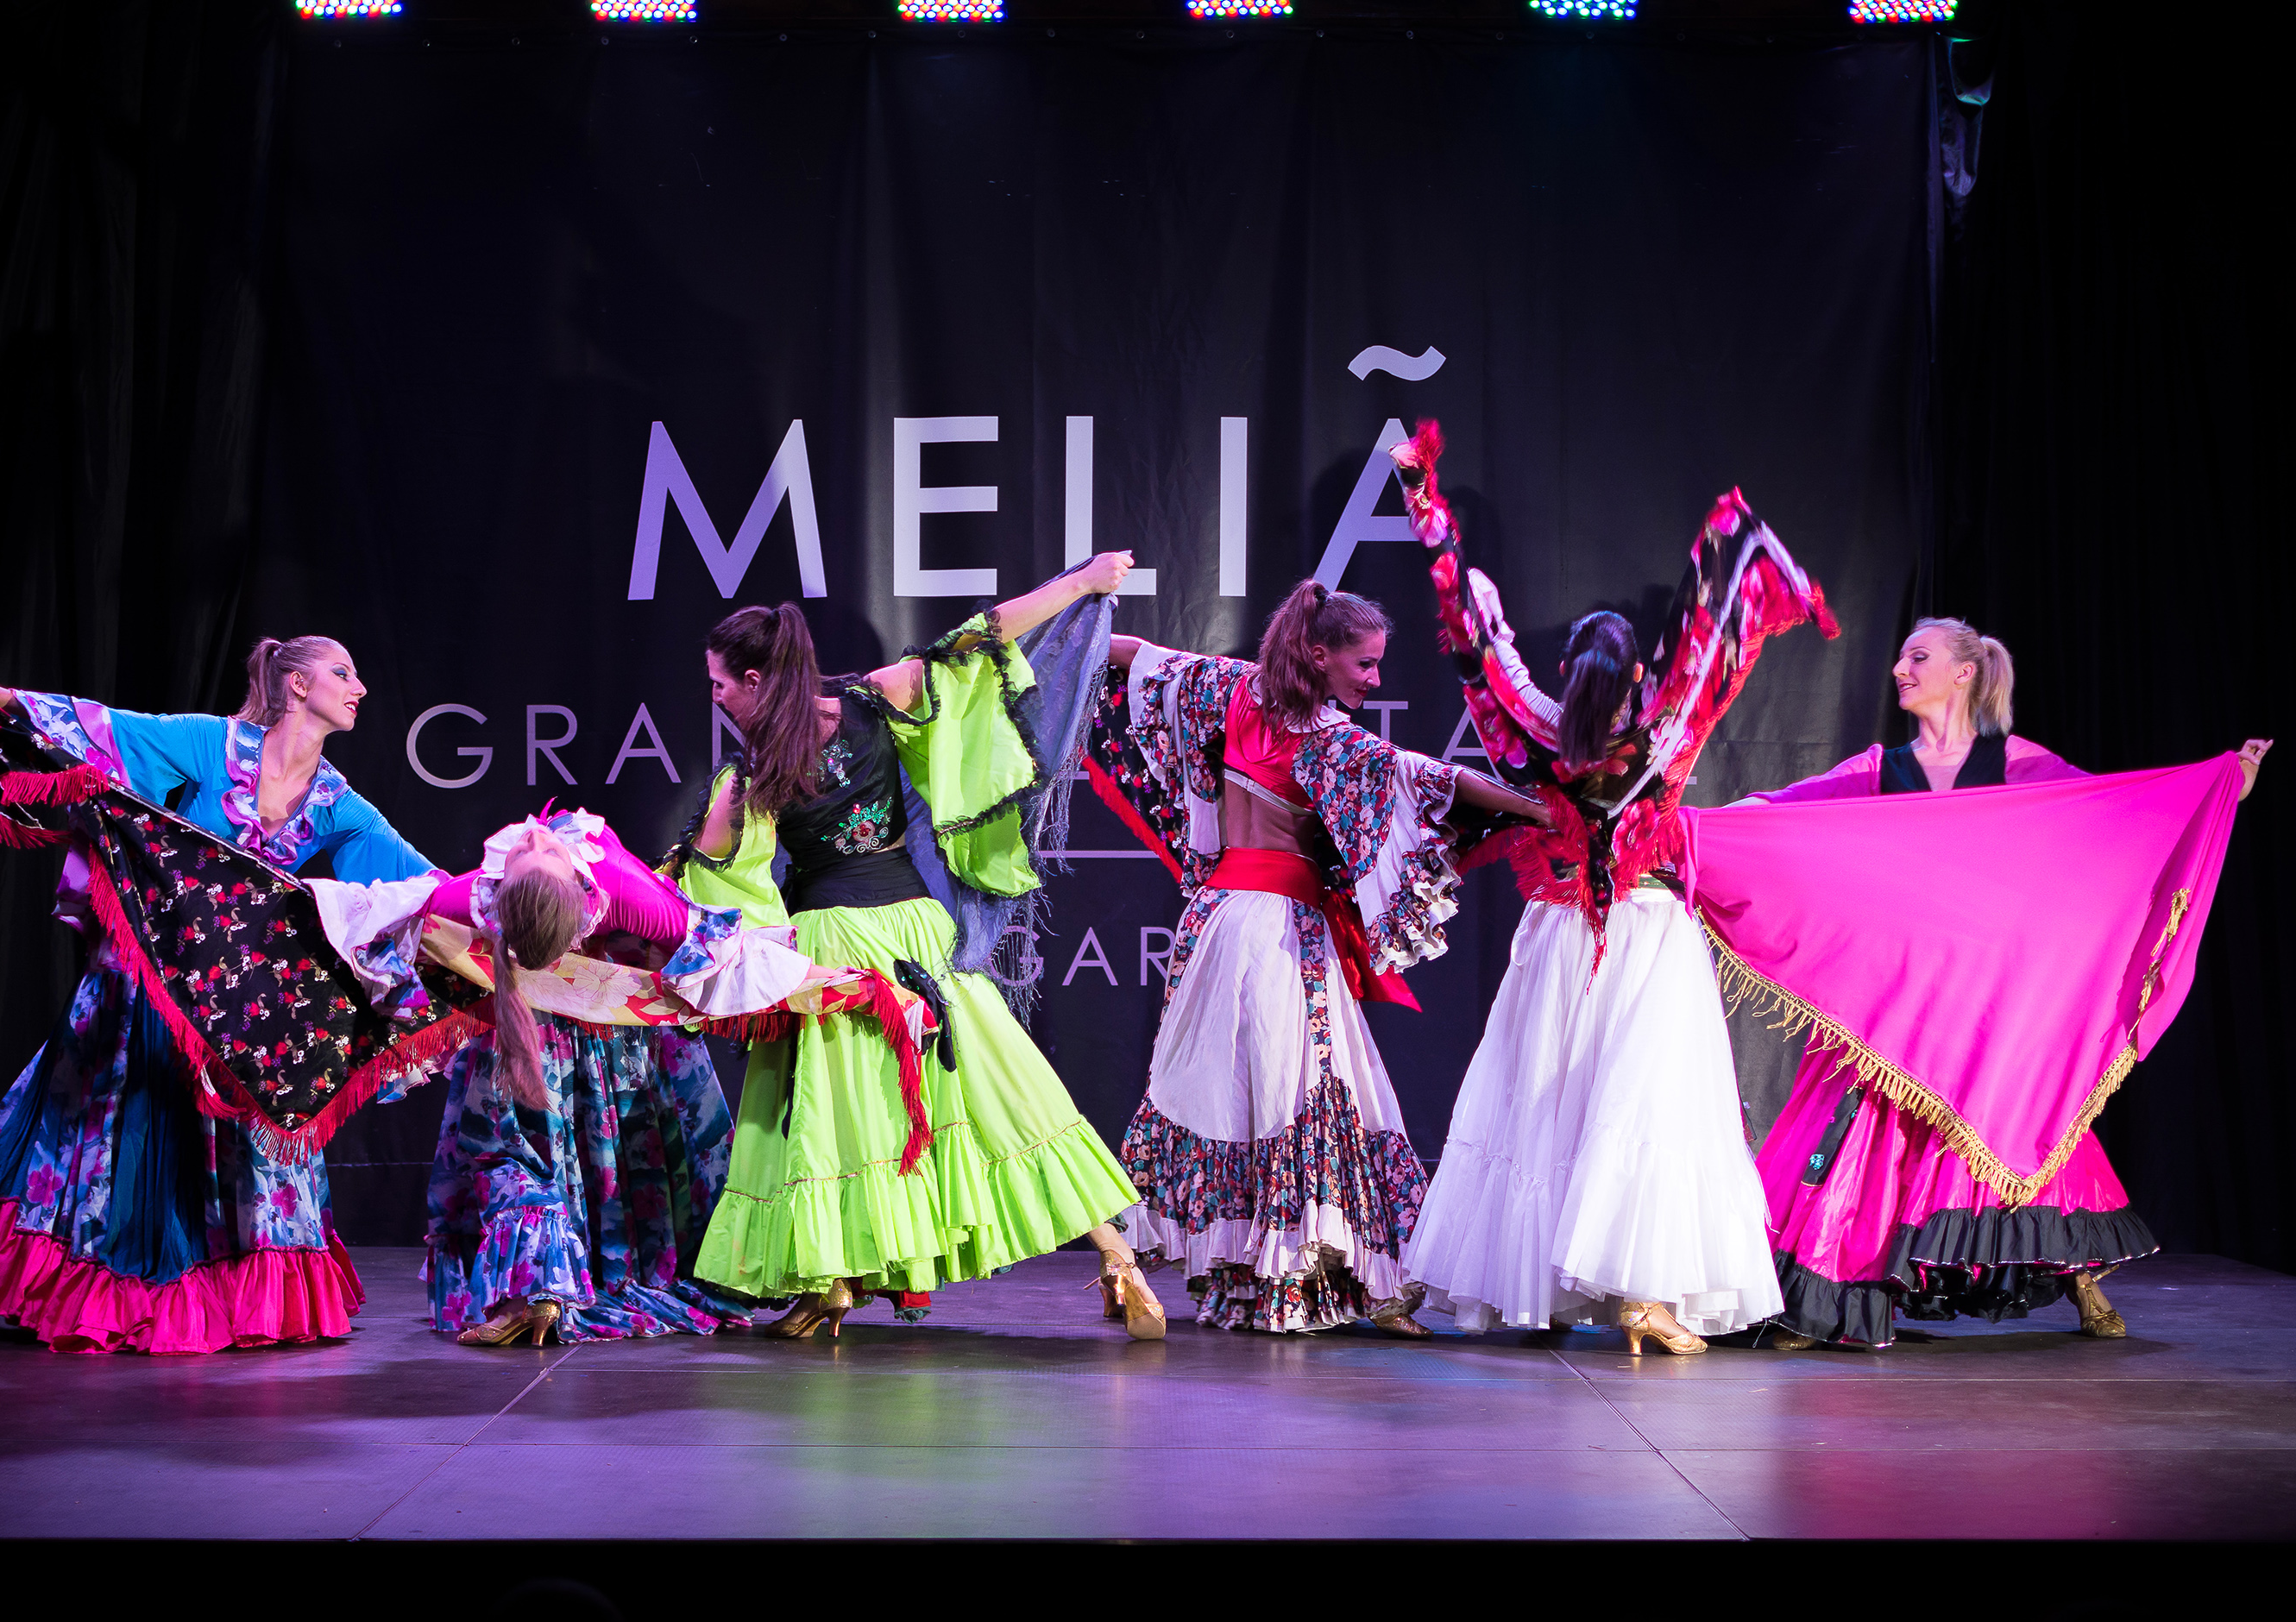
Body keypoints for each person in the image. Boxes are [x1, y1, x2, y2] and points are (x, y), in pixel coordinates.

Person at [1390, 425, 1839, 1354]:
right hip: (1647, 934)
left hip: (1557, 933)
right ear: (1637, 671)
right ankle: (1642, 1294)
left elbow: (1470, 641)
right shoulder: (1670, 727)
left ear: (1564, 673)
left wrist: (1426, 503)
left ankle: (1540, 1291)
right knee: (1645, 1104)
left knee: (1543, 1102)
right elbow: (1711, 629)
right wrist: (1731, 548)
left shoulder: (1526, 725)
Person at [1735, 618, 2273, 1347]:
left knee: (2015, 1125)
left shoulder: (2014, 762)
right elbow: (1777, 813)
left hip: (1984, 994)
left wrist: (2214, 787)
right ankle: (1827, 1294)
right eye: (1898, 656)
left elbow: (2115, 814)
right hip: (1896, 989)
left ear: (1963, 672)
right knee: (1861, 1135)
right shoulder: (1877, 767)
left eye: (1916, 657)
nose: (1899, 668)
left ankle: (2077, 1274)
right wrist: (1706, 825)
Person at [673, 554, 1170, 1339]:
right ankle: (1118, 1257)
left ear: (759, 679)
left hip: (833, 945)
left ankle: (831, 1283)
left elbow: (715, 896)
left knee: (838, 1118)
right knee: (999, 1087)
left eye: (722, 683)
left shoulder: (750, 778)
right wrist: (1080, 583)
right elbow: (980, 638)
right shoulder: (873, 699)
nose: (717, 697)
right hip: (915, 927)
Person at [0, 638, 436, 1353]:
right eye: (342, 673)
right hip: (150, 975)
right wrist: (6, 699)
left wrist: (515, 887)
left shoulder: (335, 803)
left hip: (237, 1001)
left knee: (253, 1133)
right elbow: (112, 730)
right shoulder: (214, 745)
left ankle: (232, 1295)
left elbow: (420, 881)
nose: (359, 688)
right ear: (297, 684)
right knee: (85, 1126)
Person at [1098, 582, 1550, 1333]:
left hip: (1213, 921)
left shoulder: (1228, 686)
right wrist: (1536, 808)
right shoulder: (1327, 738)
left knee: (1209, 1090)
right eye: (1365, 664)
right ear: (1318, 653)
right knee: (1309, 1092)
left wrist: (1032, 650)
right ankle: (1332, 1281)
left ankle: (1132, 1259)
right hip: (1276, 931)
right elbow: (1433, 780)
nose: (1374, 679)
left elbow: (1136, 658)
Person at [418, 811, 751, 1345]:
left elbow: (707, 946)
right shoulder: (585, 882)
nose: (534, 835)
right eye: (534, 852)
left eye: (543, 851)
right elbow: (398, 915)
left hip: (601, 1028)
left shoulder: (608, 882)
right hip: (525, 1026)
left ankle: (540, 1287)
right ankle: (542, 1289)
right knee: (514, 1154)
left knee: (520, 1152)